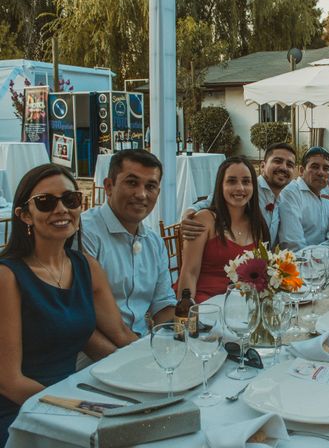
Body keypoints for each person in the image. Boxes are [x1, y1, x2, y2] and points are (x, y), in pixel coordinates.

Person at [0, 164, 137, 444]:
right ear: (25, 215)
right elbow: (9, 381)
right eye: (46, 202)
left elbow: (121, 336)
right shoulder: (7, 276)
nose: (61, 209)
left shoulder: (86, 266)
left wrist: (161, 364)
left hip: (74, 397)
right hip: (25, 413)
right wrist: (80, 407)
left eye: (70, 200)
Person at [82, 149, 177, 338]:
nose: (141, 194)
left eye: (150, 186)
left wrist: (170, 341)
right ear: (108, 186)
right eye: (132, 183)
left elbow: (163, 303)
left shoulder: (154, 242)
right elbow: (81, 316)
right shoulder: (86, 234)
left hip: (140, 345)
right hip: (95, 356)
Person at [177, 157, 269, 303]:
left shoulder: (257, 225)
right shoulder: (204, 220)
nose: (240, 188)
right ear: (220, 185)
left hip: (240, 306)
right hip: (204, 304)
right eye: (231, 181)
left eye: (246, 182)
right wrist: (185, 314)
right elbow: (189, 273)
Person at [182, 142, 296, 246]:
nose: (283, 167)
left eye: (289, 164)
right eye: (278, 161)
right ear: (262, 166)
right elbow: (212, 202)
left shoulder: (285, 198)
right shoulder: (247, 190)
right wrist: (189, 211)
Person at [278, 147, 329, 251]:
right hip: (301, 262)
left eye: (326, 169)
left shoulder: (327, 193)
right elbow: (294, 245)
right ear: (302, 171)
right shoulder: (291, 193)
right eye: (315, 167)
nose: (321, 173)